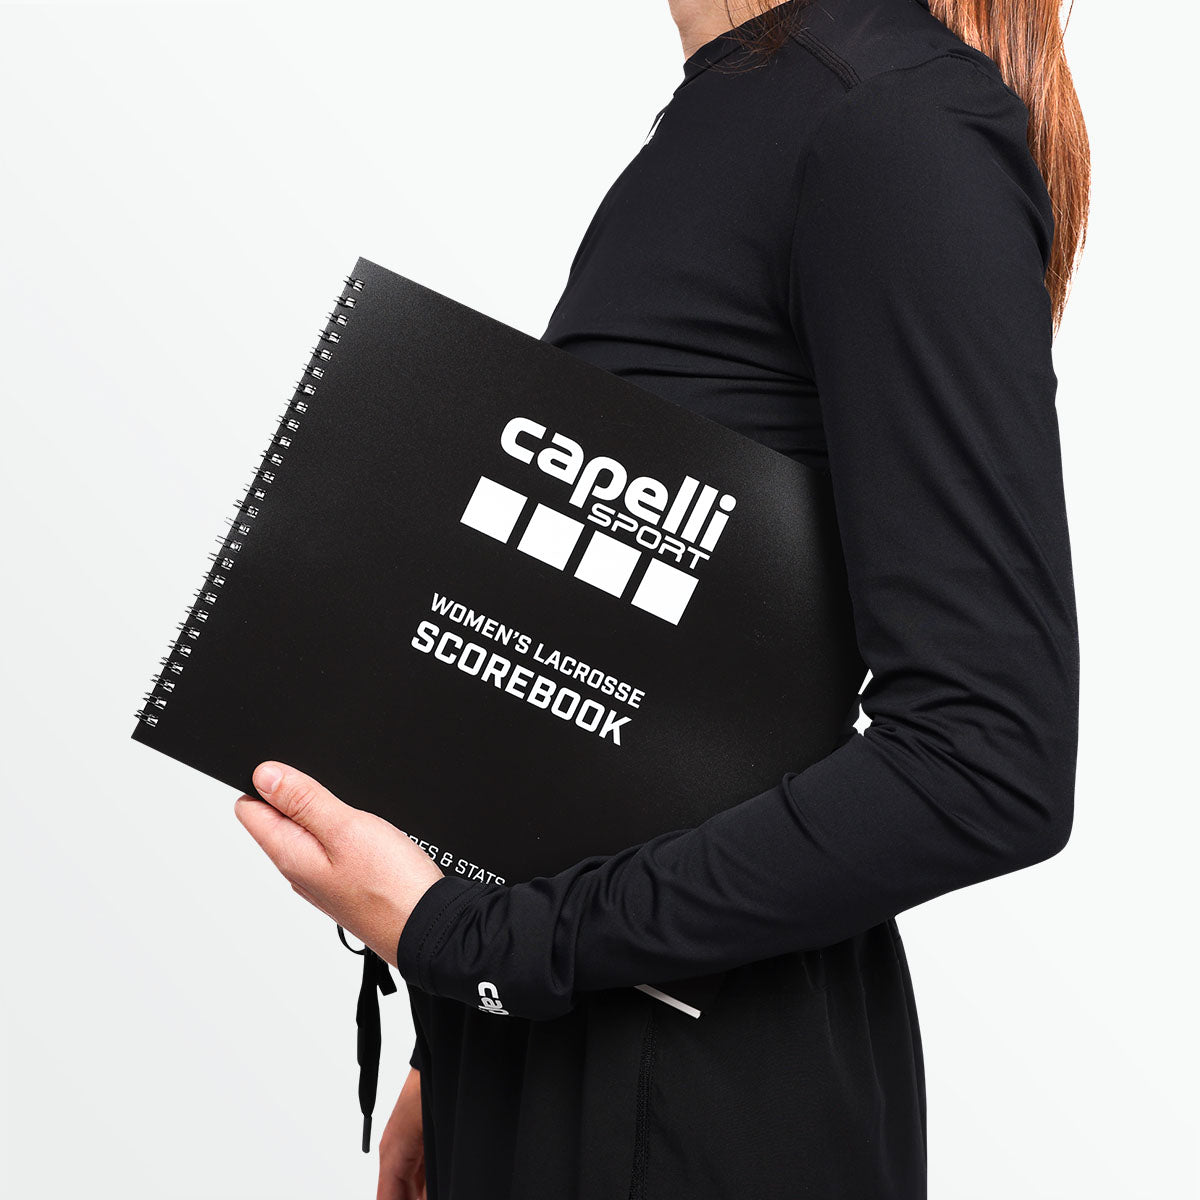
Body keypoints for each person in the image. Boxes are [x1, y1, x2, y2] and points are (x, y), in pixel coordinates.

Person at [233, 0, 1089, 1196]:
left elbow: (987, 759)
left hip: (695, 1102)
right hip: (559, 1053)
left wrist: (485, 949)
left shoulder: (889, 119)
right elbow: (651, 689)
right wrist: (463, 1027)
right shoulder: (743, 106)